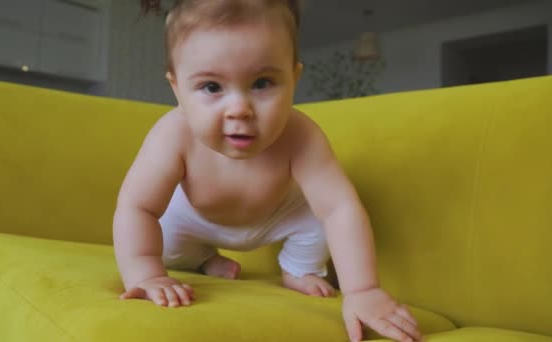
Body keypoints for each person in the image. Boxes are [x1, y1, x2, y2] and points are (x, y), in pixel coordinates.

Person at [113, 1, 421, 341]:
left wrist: (362, 290)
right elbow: (137, 207)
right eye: (212, 87)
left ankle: (297, 269)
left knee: (320, 221)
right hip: (195, 218)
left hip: (278, 217)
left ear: (293, 78)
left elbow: (339, 209)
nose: (239, 109)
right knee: (166, 240)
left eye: (262, 83)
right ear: (177, 89)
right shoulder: (172, 135)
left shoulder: (302, 136)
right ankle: (203, 259)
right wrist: (145, 272)